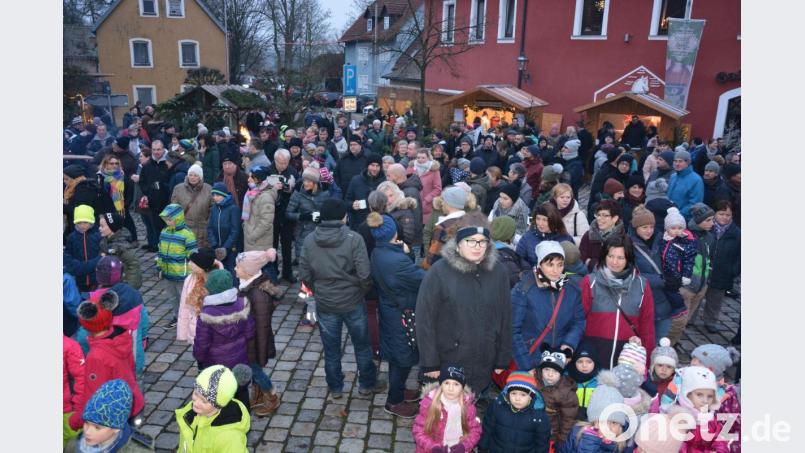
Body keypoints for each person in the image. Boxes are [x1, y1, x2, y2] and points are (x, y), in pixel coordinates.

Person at [298, 199, 386, 399]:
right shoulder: (354, 238)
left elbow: (304, 273)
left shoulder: (310, 240)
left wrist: (317, 290)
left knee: (331, 349)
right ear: (343, 217)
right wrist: (360, 291)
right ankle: (367, 384)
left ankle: (336, 387)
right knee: (362, 346)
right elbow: (365, 274)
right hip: (353, 300)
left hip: (326, 301)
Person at [416, 213, 512, 393]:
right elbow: (425, 320)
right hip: (449, 362)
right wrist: (430, 363)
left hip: (484, 359)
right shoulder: (439, 272)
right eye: (470, 241)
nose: (477, 247)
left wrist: (503, 357)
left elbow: (505, 316)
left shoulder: (499, 272)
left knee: (473, 414)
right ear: (458, 244)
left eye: (482, 241)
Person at [367, 212, 426, 418]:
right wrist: (409, 254)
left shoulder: (379, 251)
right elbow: (422, 278)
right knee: (403, 357)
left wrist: (403, 252)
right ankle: (394, 401)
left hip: (389, 309)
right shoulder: (396, 261)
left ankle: (399, 389)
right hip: (401, 314)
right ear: (392, 233)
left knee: (396, 354)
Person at [580, 235, 656, 369]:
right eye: (610, 256)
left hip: (627, 360)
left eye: (620, 258)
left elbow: (647, 327)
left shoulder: (642, 286)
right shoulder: (589, 283)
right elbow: (578, 321)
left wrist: (646, 363)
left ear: (628, 258)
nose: (614, 262)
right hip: (593, 357)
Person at [69, 299, 145, 431]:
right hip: (133, 402)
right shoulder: (122, 335)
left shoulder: (96, 357)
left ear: (87, 326)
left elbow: (94, 395)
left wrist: (75, 421)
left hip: (114, 414)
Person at [235, 250, 284, 417]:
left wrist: (258, 350)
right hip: (250, 339)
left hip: (254, 342)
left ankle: (271, 394)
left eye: (238, 267)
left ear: (248, 271)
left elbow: (261, 327)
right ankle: (257, 394)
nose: (235, 269)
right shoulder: (247, 284)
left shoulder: (257, 294)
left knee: (255, 369)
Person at [65, 380, 154, 453]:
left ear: (116, 428)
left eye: (97, 427)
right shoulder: (73, 446)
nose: (87, 432)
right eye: (87, 423)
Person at [176, 365, 250, 453]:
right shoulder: (191, 412)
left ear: (219, 404)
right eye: (196, 393)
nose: (196, 402)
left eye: (204, 401)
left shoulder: (230, 438)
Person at [628, 205, 674, 341]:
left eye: (651, 227)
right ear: (636, 227)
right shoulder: (628, 245)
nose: (649, 231)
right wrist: (662, 280)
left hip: (664, 301)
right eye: (644, 227)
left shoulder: (663, 241)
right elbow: (631, 275)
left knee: (661, 341)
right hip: (641, 302)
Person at [412, 365, 482, 453]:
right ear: (441, 385)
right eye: (447, 383)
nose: (450, 388)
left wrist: (464, 446)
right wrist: (433, 447)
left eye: (456, 384)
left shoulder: (467, 407)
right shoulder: (429, 405)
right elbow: (418, 431)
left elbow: (475, 431)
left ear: (462, 387)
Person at [479, 371, 551, 453]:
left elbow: (542, 442)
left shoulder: (539, 416)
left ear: (531, 396)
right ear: (508, 393)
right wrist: (483, 447)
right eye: (513, 393)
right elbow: (487, 429)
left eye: (523, 395)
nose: (517, 398)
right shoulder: (497, 407)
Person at [157, 203, 198, 327]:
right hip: (168, 273)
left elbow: (193, 257)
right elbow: (160, 252)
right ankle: (176, 317)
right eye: (166, 220)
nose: (168, 222)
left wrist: (191, 274)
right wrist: (159, 267)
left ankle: (189, 318)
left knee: (185, 298)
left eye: (170, 219)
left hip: (183, 274)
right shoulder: (164, 232)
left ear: (178, 218)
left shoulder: (187, 234)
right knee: (173, 298)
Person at [560, 381, 629, 453]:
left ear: (620, 425)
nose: (608, 428)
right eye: (602, 421)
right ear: (594, 421)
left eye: (614, 422)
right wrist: (589, 443)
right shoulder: (577, 434)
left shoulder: (623, 443)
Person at [703, 200, 740, 333]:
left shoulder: (736, 234)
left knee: (716, 299)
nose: (724, 217)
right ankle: (690, 319)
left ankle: (710, 320)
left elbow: (739, 256)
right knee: (698, 294)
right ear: (715, 214)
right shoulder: (707, 228)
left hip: (723, 271)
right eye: (721, 214)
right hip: (703, 269)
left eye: (728, 215)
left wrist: (733, 271)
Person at [533, 346, 579, 450]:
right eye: (546, 369)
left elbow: (569, 419)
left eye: (555, 371)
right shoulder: (533, 382)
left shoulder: (566, 392)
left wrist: (562, 439)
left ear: (561, 373)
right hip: (531, 431)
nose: (550, 374)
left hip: (551, 435)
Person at [177, 248, 221, 344]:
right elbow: (184, 307)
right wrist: (183, 332)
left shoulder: (218, 282)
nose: (189, 264)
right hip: (194, 328)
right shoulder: (190, 279)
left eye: (193, 262)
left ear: (202, 267)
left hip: (212, 333)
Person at [516, 203, 574, 267]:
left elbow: (573, 266)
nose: (540, 223)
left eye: (544, 220)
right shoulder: (527, 237)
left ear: (553, 220)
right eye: (538, 219)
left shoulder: (565, 239)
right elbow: (519, 260)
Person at [241, 166, 277, 269]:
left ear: (258, 179)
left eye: (251, 177)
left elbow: (266, 222)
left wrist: (252, 236)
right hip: (252, 240)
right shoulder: (253, 192)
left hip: (259, 242)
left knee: (264, 272)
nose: (248, 179)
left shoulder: (266, 197)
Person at [138, 140, 171, 250]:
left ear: (163, 149)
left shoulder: (167, 163)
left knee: (168, 227)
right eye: (154, 150)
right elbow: (142, 182)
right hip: (153, 202)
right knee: (155, 226)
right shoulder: (147, 165)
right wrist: (149, 191)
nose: (156, 152)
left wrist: (162, 186)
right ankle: (157, 246)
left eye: (158, 149)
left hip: (167, 201)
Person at [171, 163, 213, 248]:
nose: (193, 177)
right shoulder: (178, 189)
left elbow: (212, 209)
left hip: (202, 229)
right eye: (190, 175)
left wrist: (208, 223)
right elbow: (174, 208)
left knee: (200, 256)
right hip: (184, 229)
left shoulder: (209, 189)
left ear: (200, 177)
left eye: (196, 175)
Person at [98, 211, 142, 289]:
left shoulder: (123, 246)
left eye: (102, 226)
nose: (99, 228)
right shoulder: (104, 241)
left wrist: (130, 288)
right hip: (110, 282)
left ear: (112, 228)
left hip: (122, 284)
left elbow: (133, 265)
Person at [64, 205, 103, 292]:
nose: (82, 225)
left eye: (85, 222)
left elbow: (102, 254)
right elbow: (67, 254)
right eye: (79, 222)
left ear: (91, 222)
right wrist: (74, 264)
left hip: (96, 279)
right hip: (79, 279)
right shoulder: (72, 237)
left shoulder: (98, 235)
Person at [579, 200, 626, 272]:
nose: (600, 218)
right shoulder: (588, 235)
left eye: (605, 215)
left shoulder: (623, 238)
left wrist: (591, 262)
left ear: (615, 218)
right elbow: (582, 259)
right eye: (598, 215)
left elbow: (622, 265)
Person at [207, 183, 241, 273]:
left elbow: (235, 230)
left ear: (224, 195)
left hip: (230, 249)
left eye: (217, 195)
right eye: (213, 195)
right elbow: (209, 227)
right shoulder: (214, 208)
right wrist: (214, 244)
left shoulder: (233, 209)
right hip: (217, 248)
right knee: (219, 270)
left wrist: (226, 247)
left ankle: (235, 286)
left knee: (231, 271)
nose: (215, 197)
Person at [345, 153, 386, 229]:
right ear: (367, 166)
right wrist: (352, 205)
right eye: (372, 165)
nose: (374, 169)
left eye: (377, 166)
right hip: (359, 223)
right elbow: (347, 201)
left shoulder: (384, 182)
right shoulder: (356, 180)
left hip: (379, 223)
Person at [566, 341, 600, 421]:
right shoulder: (567, 380)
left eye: (589, 361)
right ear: (574, 363)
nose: (584, 365)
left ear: (594, 363)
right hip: (570, 420)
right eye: (580, 361)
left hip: (592, 422)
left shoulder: (600, 383)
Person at [666, 149, 704, 220]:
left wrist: (678, 214)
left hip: (683, 219)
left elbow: (695, 203)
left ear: (688, 162)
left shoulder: (696, 180)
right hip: (668, 215)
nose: (677, 164)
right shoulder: (673, 176)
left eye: (680, 161)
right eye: (675, 161)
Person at [63, 334, 86, 446]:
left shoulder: (69, 346)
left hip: (68, 411)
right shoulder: (70, 345)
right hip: (68, 410)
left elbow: (80, 378)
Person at [414, 149, 443, 224]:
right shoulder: (412, 168)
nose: (420, 160)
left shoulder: (434, 171)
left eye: (423, 158)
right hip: (414, 204)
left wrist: (426, 200)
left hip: (427, 206)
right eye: (418, 157)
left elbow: (438, 189)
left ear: (428, 158)